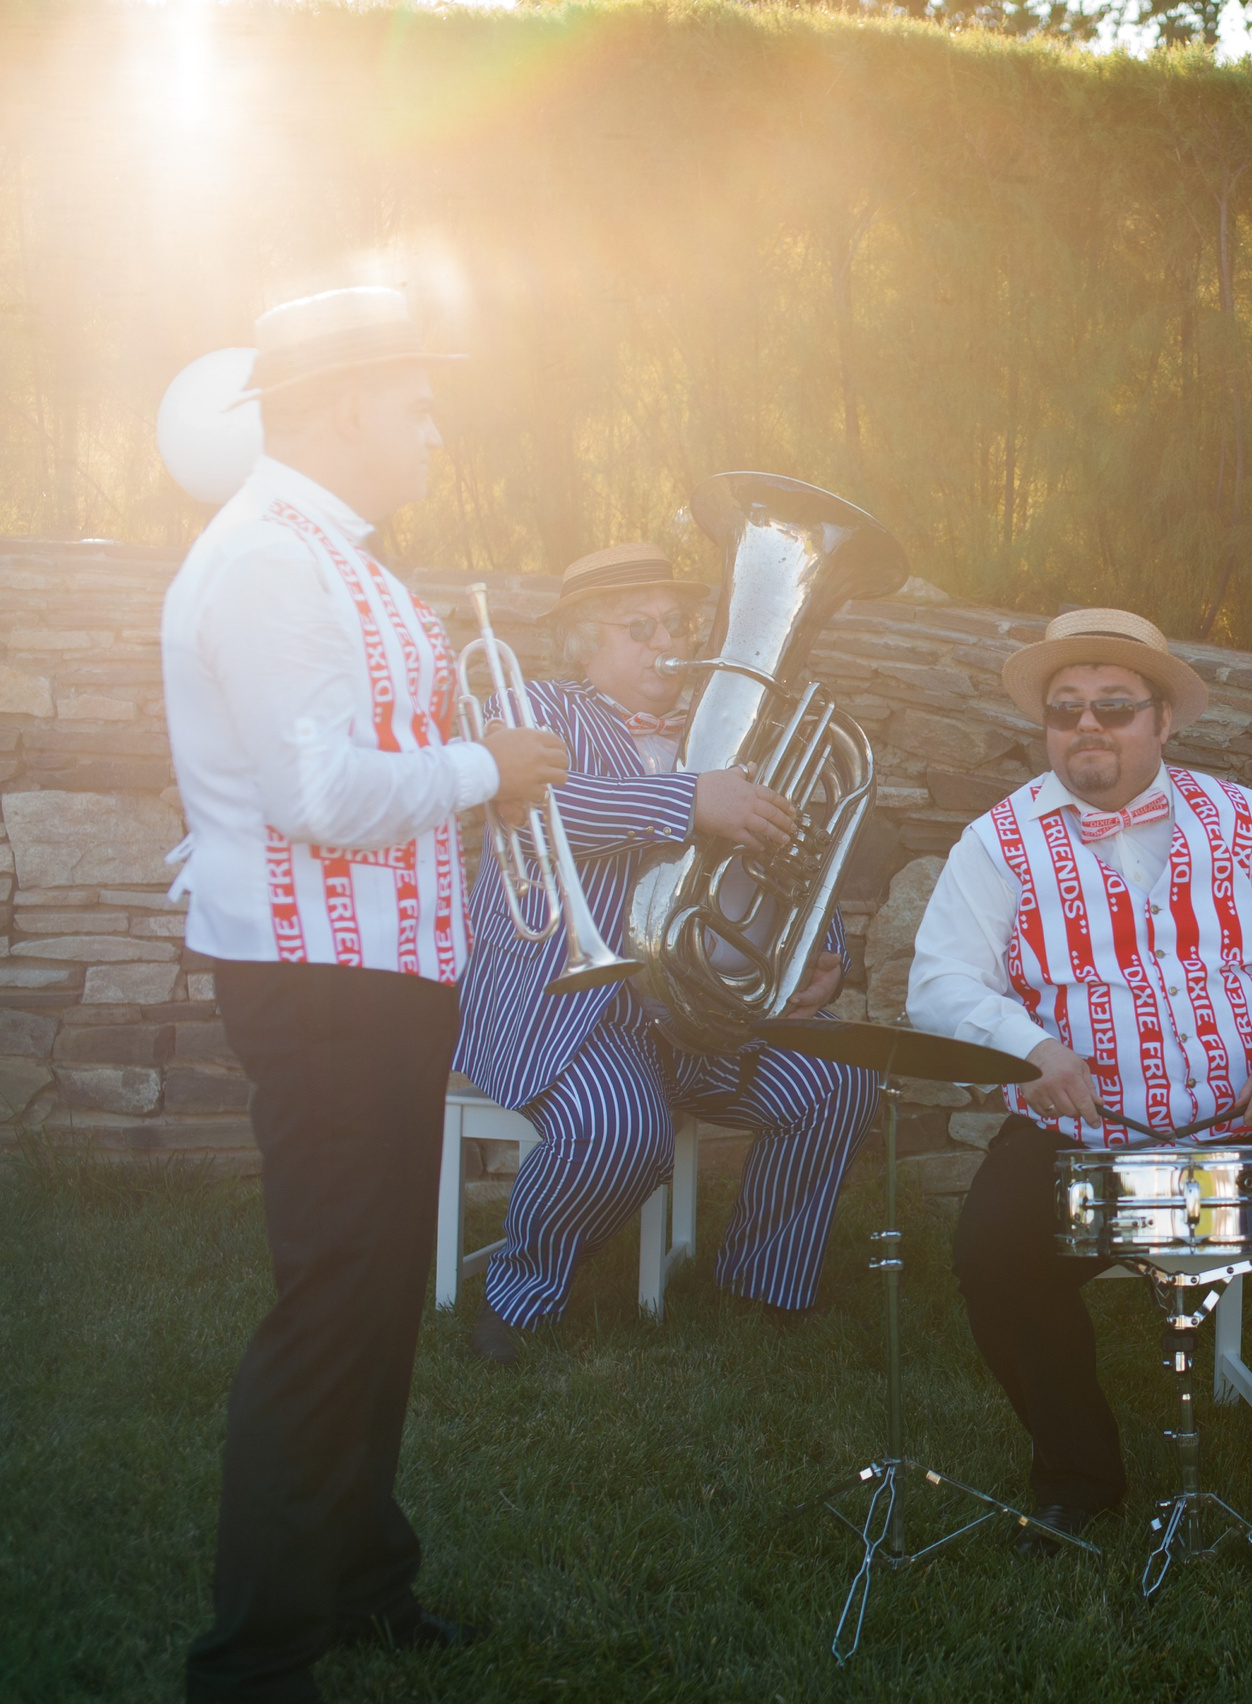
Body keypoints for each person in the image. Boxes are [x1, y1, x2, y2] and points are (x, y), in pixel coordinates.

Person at [162, 287, 570, 1701]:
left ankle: (359, 1580)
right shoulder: (274, 560)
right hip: (321, 980)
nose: (435, 430)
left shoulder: (336, 555)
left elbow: (315, 755)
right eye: (416, 405)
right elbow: (322, 794)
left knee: (383, 1284)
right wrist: (487, 772)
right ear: (338, 410)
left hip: (377, 971)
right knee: (336, 1294)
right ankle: (257, 1659)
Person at [905, 607, 1252, 1547]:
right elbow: (941, 981)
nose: (1087, 727)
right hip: (1085, 1144)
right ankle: (1078, 1478)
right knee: (992, 1247)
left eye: (1114, 706)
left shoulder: (1239, 818)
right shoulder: (999, 840)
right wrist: (1032, 1049)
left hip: (1251, 1134)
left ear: (1162, 721)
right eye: (1066, 709)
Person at [454, 544, 878, 1362]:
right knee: (619, 1129)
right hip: (571, 1009)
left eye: (678, 624)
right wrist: (689, 799)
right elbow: (540, 812)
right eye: (638, 627)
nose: (666, 643)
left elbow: (788, 860)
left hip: (695, 1011)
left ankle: (762, 1287)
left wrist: (821, 952)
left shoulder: (727, 731)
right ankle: (520, 1294)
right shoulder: (537, 706)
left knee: (838, 1079)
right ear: (584, 642)